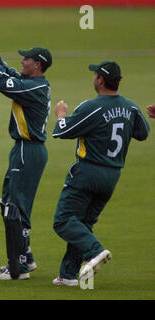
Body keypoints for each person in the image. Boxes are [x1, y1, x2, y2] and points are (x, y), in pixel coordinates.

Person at [51, 60, 150, 286]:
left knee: (64, 220)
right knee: (83, 223)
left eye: (95, 74)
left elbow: (61, 132)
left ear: (101, 80)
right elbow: (143, 133)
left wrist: (61, 114)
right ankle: (67, 275)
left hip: (88, 172)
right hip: (112, 176)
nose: (93, 78)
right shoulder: (131, 107)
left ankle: (95, 251)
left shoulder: (92, 107)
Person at [0, 26, 52, 280]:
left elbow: (1, 81)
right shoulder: (32, 82)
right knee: (8, 203)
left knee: (14, 208)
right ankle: (25, 258)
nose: (22, 60)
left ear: (37, 65)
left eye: (26, 58)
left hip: (27, 151)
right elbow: (8, 72)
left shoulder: (34, 88)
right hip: (23, 149)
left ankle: (17, 268)